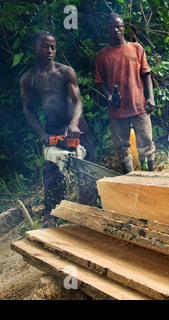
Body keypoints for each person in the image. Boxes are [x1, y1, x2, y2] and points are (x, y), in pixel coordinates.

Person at [20, 30, 98, 227]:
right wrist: (42, 134)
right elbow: (28, 110)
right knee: (53, 173)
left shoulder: (66, 72)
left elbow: (77, 102)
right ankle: (53, 214)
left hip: (75, 125)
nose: (49, 50)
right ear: (34, 48)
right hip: (52, 127)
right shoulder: (28, 79)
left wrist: (73, 123)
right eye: (44, 46)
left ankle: (89, 211)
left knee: (86, 168)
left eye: (53, 47)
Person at [95, 13, 156, 173]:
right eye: (112, 27)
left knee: (146, 140)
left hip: (138, 104)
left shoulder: (136, 48)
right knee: (121, 145)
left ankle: (150, 172)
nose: (115, 30)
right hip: (117, 108)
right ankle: (130, 177)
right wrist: (109, 97)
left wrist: (150, 98)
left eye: (119, 26)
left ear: (124, 27)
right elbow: (100, 82)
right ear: (107, 29)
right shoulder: (103, 55)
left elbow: (146, 74)